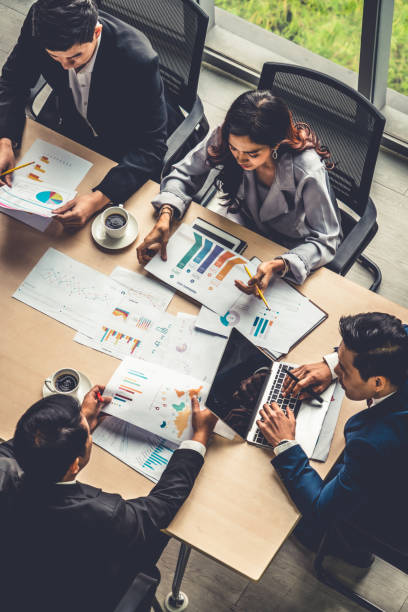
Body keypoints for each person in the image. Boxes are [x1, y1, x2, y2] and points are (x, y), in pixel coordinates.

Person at [0, 385, 217, 612]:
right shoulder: (104, 514)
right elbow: (161, 506)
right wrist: (199, 437)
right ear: (75, 465)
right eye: (86, 434)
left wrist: (72, 426)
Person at [137, 90, 342, 290]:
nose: (240, 159)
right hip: (239, 226)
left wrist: (281, 263)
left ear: (276, 145)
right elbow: (185, 173)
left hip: (289, 248)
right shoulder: (230, 136)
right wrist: (166, 214)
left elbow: (327, 238)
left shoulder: (308, 168)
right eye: (234, 149)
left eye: (253, 153)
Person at [256, 312, 408, 564]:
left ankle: (348, 548)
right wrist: (330, 365)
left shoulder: (374, 443)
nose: (337, 371)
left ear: (378, 383)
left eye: (345, 370)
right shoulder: (399, 346)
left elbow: (320, 509)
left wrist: (285, 445)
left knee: (310, 521)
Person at [0, 0, 167, 228]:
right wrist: (5, 140)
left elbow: (152, 145)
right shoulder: (38, 23)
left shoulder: (138, 60)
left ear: (96, 32)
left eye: (75, 57)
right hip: (73, 129)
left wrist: (98, 199)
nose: (66, 67)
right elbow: (13, 80)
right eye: (54, 58)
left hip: (122, 145)